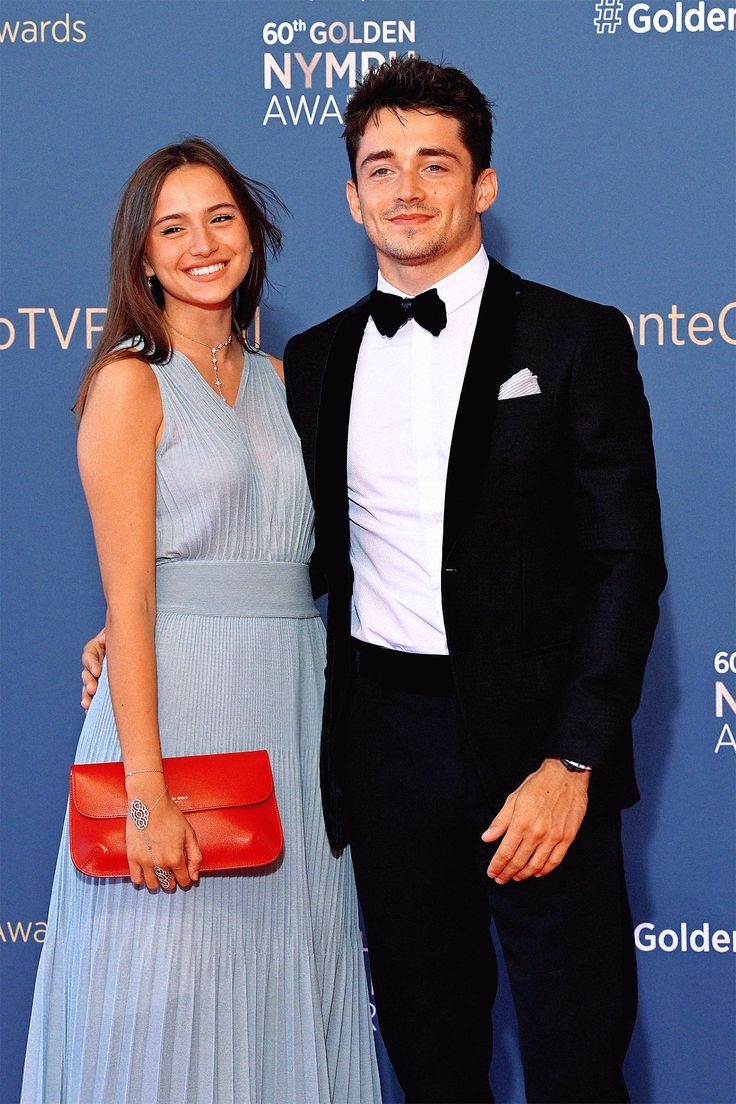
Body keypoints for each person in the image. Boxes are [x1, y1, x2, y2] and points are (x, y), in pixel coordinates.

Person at [81, 59, 667, 1104]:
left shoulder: (576, 338)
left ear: (481, 184)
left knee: (577, 1056)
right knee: (430, 1051)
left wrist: (570, 759)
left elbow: (626, 565)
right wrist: (143, 623)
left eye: (433, 164)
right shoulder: (312, 362)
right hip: (380, 744)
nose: (406, 190)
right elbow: (277, 535)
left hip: (539, 748)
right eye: (380, 168)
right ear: (352, 197)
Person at [22, 138, 381, 1104]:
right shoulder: (129, 382)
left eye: (220, 218)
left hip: (290, 716)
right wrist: (146, 795)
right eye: (171, 228)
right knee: (168, 1002)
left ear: (253, 235)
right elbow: (131, 598)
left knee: (280, 991)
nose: (201, 244)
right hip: (179, 714)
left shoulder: (281, 378)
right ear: (142, 257)